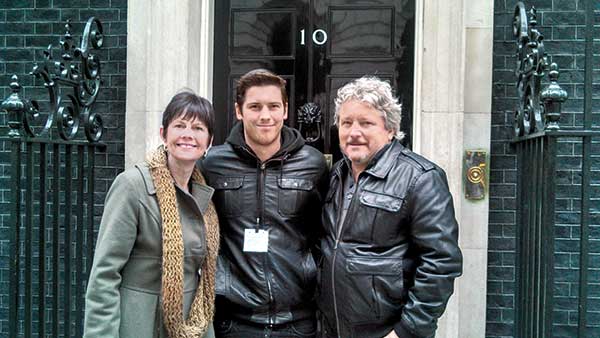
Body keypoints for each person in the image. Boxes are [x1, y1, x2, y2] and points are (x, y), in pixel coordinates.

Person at [317, 76, 463, 338]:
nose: (354, 132)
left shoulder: (421, 177)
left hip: (387, 332)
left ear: (390, 129)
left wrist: (406, 331)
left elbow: (440, 262)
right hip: (333, 329)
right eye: (347, 122)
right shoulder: (336, 175)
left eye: (366, 123)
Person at [199, 69, 328, 338]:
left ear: (285, 110)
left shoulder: (313, 164)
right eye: (255, 107)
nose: (265, 116)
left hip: (297, 320)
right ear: (239, 111)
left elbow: (325, 230)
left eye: (273, 106)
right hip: (233, 321)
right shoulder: (213, 164)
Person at [84, 91, 220, 338]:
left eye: (198, 128)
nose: (188, 134)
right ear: (163, 134)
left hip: (190, 326)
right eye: (180, 125)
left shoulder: (204, 199)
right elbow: (104, 275)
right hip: (139, 325)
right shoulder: (132, 186)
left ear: (208, 142)